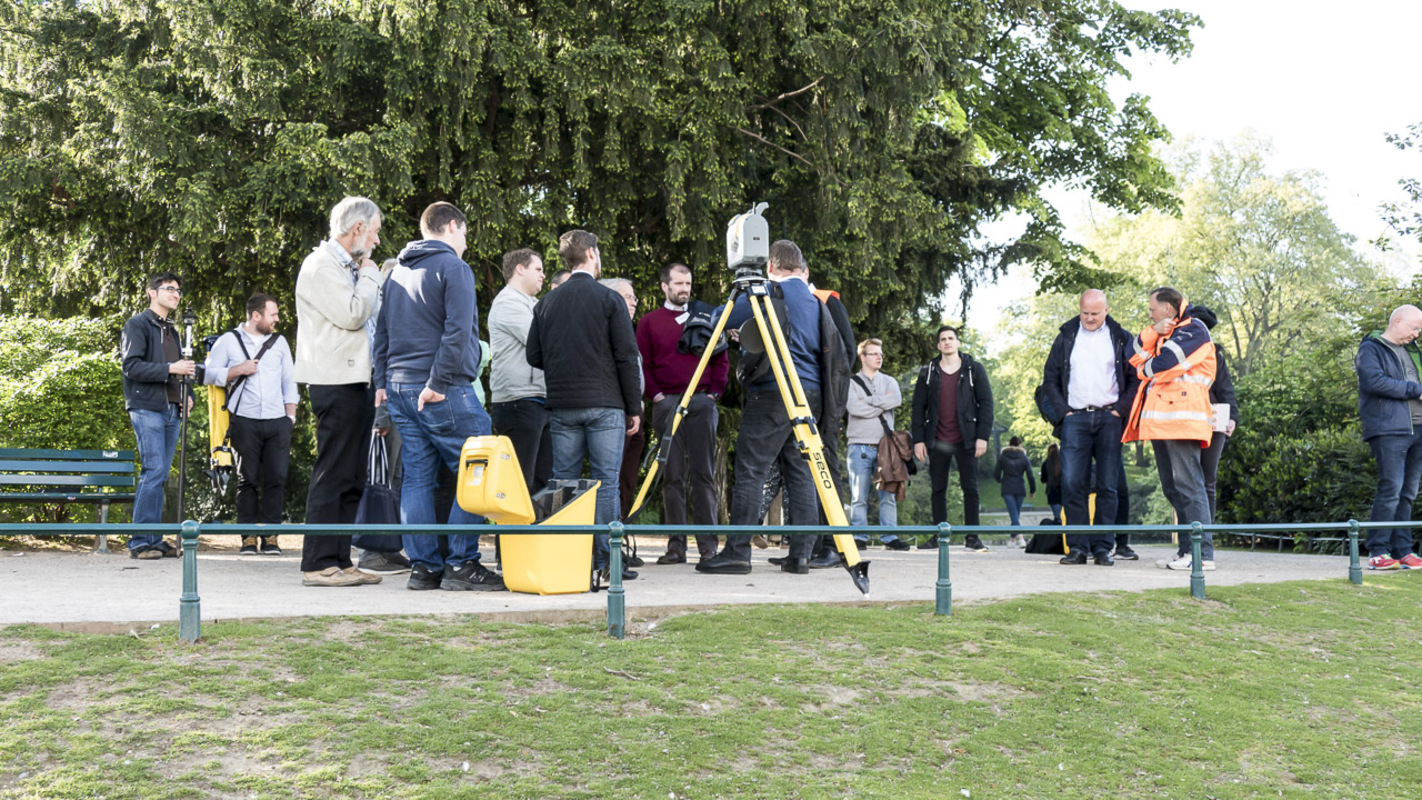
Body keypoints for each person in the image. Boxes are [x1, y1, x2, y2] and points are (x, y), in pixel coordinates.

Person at [373, 201, 505, 591]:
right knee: (477, 470)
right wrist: (439, 382)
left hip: (400, 387)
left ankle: (424, 568)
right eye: (464, 232)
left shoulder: (397, 271)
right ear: (451, 226)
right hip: (442, 389)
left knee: (416, 478)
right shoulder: (453, 267)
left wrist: (382, 382)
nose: (466, 241)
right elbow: (458, 331)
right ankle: (462, 565)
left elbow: (382, 334)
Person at [699, 240, 848, 575]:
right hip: (811, 393)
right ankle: (801, 554)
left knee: (751, 468)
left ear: (769, 266)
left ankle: (737, 552)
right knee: (800, 471)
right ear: (801, 267)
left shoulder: (767, 291)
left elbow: (721, 318)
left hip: (773, 390)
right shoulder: (815, 300)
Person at [526, 230, 643, 583]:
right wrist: (633, 406)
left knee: (563, 482)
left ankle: (566, 561)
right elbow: (626, 355)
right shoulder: (609, 299)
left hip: (563, 405)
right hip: (605, 403)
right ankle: (608, 564)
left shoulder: (547, 303)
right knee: (605, 483)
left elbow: (534, 355)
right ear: (591, 253)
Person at [294, 195, 384, 588]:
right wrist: (371, 277)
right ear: (357, 228)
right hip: (335, 381)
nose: (377, 241)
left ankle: (341, 560)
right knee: (332, 472)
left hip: (357, 379)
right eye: (375, 232)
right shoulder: (320, 265)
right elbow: (352, 313)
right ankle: (317, 563)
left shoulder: (346, 267)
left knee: (353, 475)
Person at [636, 263, 728, 564]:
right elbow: (642, 364)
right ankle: (676, 546)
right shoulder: (649, 322)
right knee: (672, 475)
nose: (684, 289)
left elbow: (721, 359)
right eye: (678, 283)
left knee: (704, 475)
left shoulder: (706, 317)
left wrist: (714, 394)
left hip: (701, 402)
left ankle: (708, 546)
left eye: (687, 283)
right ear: (665, 286)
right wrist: (657, 396)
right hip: (667, 402)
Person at [1121, 287, 1217, 571]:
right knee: (1173, 489)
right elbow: (1131, 354)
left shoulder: (1194, 329)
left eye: (1153, 310)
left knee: (1190, 487)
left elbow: (1162, 365)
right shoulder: (1165, 332)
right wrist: (1153, 331)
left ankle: (1203, 555)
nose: (1150, 314)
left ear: (1167, 307)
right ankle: (1187, 551)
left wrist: (1144, 369)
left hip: (1183, 420)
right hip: (1163, 422)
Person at [1041, 289, 1138, 566]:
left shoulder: (1122, 337)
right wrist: (1064, 412)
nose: (1090, 318)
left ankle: (1103, 548)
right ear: (1079, 309)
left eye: (1095, 313)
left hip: (1110, 417)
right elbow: (1050, 378)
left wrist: (1120, 410)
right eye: (1085, 313)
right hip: (1075, 419)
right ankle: (1078, 547)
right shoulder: (1065, 337)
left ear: (1106, 310)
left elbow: (1136, 378)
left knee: (1108, 485)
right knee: (1072, 484)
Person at [202, 293, 298, 554]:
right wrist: (238, 370)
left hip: (277, 421)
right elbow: (207, 374)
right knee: (248, 480)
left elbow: (289, 380)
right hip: (244, 420)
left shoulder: (279, 342)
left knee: (277, 479)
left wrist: (290, 417)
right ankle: (247, 538)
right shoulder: (228, 341)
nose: (277, 319)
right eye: (273, 314)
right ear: (256, 315)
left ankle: (271, 538)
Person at [120, 272, 195, 559]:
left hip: (171, 409)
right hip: (146, 407)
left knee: (161, 474)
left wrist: (187, 395)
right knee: (152, 471)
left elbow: (181, 369)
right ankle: (139, 542)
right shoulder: (137, 324)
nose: (176, 294)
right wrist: (170, 369)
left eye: (178, 291)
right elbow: (131, 367)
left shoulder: (172, 331)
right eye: (170, 289)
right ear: (152, 292)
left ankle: (154, 539)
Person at [910, 326, 993, 552]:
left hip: (967, 439)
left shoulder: (974, 369)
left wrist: (982, 436)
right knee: (938, 490)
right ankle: (939, 536)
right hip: (937, 439)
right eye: (943, 339)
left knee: (971, 489)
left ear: (958, 343)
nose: (947, 342)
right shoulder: (928, 372)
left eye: (951, 338)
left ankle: (973, 537)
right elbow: (918, 407)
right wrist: (918, 440)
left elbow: (986, 404)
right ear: (939, 345)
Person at [1354, 304, 1422, 570]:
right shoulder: (1371, 348)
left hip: (1418, 429)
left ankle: (1403, 551)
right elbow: (1374, 382)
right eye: (1414, 328)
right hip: (1389, 430)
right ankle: (1378, 551)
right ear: (1398, 321)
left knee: (1408, 493)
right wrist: (1415, 390)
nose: (1416, 334)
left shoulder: (1413, 351)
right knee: (1391, 488)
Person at [488, 248, 552, 494]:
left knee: (541, 484)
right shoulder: (508, 303)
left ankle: (534, 522)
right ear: (520, 269)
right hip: (518, 402)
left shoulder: (533, 304)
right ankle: (512, 524)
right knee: (519, 484)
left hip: (538, 400)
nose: (543, 275)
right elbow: (542, 341)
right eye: (538, 269)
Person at [845, 338, 910, 550]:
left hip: (886, 448)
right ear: (862, 357)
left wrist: (868, 400)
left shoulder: (890, 382)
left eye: (880, 354)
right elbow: (854, 408)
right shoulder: (851, 383)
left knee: (888, 495)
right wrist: (881, 403)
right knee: (858, 497)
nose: (879, 357)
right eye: (874, 353)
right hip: (859, 447)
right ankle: (859, 537)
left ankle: (890, 537)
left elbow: (895, 400)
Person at [602, 278, 649, 566]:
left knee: (627, 481)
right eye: (626, 297)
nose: (633, 303)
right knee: (613, 479)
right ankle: (609, 549)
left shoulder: (627, 331)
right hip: (616, 413)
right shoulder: (604, 332)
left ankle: (621, 540)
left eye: (633, 298)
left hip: (635, 413)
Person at [1188, 306, 1238, 521]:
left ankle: (1205, 533)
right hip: (1186, 422)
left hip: (1213, 422)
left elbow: (1226, 389)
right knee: (1188, 483)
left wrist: (1232, 417)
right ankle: (1193, 533)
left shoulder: (1216, 356)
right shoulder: (1177, 353)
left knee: (1207, 481)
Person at [994, 436, 1035, 546]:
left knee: (1014, 515)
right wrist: (1032, 490)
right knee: (1015, 514)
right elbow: (1030, 475)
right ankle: (1020, 538)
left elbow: (996, 473)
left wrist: (1001, 480)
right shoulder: (1024, 457)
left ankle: (1012, 540)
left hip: (1007, 488)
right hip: (1020, 488)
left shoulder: (1003, 457)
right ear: (1019, 445)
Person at [1041, 443, 1063, 521]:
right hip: (1064, 491)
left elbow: (1043, 479)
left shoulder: (1046, 463)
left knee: (1057, 517)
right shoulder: (1063, 462)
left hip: (1052, 492)